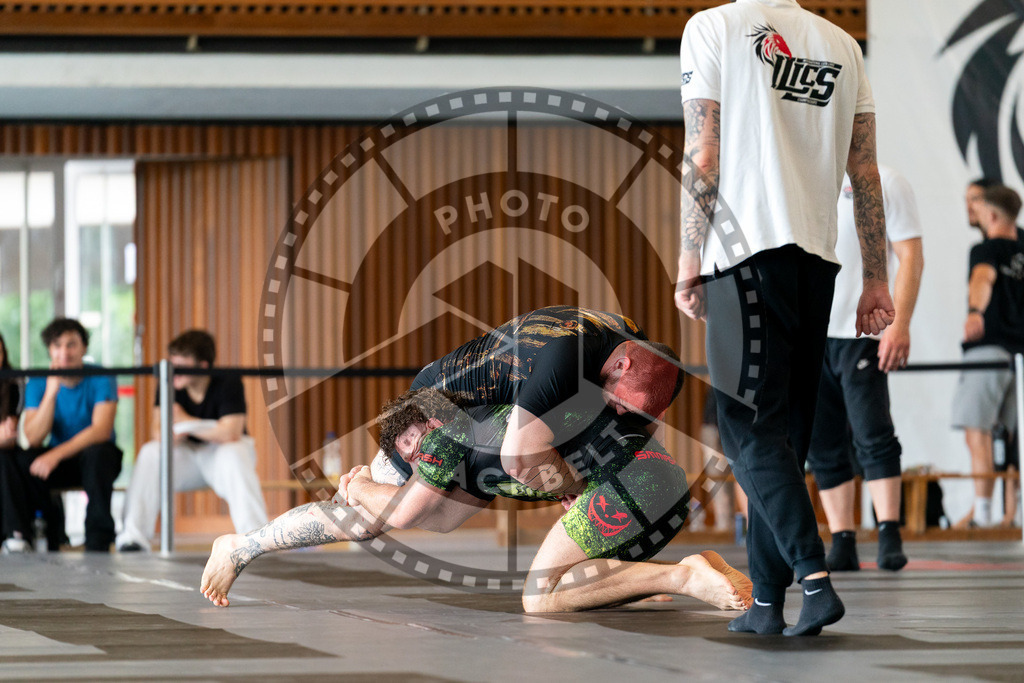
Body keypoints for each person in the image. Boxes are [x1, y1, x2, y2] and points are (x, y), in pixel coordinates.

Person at [675, 1, 895, 636]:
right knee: (785, 437)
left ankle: (813, 578)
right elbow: (865, 172)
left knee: (746, 430)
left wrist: (690, 254)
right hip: (816, 260)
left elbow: (704, 150)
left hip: (742, 257)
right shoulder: (842, 43)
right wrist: (874, 276)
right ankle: (768, 602)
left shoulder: (711, 27)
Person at [200, 388, 753, 614]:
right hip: (659, 485)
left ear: (427, 423)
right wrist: (249, 546)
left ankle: (681, 577)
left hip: (634, 483)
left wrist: (356, 485)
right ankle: (244, 546)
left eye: (412, 446)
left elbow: (406, 510)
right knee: (583, 586)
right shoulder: (476, 457)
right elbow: (427, 520)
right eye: (409, 458)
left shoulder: (450, 433)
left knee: (540, 599)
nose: (418, 462)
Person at [371, 305, 684, 503]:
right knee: (402, 510)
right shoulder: (566, 357)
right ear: (620, 366)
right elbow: (518, 459)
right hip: (434, 402)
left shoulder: (644, 354)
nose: (619, 412)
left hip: (497, 404)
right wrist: (581, 489)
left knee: (604, 455)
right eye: (621, 402)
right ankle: (355, 487)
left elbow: (642, 431)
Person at [806, 166, 925, 571]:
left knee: (873, 433)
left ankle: (889, 532)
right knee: (822, 443)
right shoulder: (803, 178)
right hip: (810, 334)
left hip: (862, 331)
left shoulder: (887, 181)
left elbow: (910, 254)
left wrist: (901, 324)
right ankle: (843, 539)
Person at [117, 330, 268, 551]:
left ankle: (256, 541)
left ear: (203, 365)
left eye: (181, 365)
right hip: (186, 456)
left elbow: (231, 432)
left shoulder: (228, 381)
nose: (174, 370)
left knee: (233, 452)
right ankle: (133, 537)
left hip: (221, 457)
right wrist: (181, 431)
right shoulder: (169, 379)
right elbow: (158, 432)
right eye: (173, 362)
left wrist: (186, 421)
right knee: (151, 452)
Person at [0, 318, 121, 552]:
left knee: (98, 454)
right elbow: (34, 437)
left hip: (96, 460)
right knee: (24, 460)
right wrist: (51, 392)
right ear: (49, 350)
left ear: (84, 348)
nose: (64, 352)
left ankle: (98, 540)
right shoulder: (39, 381)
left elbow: (101, 430)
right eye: (57, 346)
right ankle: (42, 533)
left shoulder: (102, 376)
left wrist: (55, 454)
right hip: (61, 463)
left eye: (71, 345)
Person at [952, 185, 1024, 528]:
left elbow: (983, 277)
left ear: (993, 215)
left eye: (979, 209)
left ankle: (981, 513)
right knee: (1012, 438)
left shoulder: (986, 249)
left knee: (977, 432)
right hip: (1019, 358)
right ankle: (1014, 513)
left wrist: (974, 311)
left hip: (990, 350)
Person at [0, 331, 23, 552]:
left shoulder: (13, 384)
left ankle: (14, 533)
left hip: (5, 451)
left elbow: (8, 437)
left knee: (5, 459)